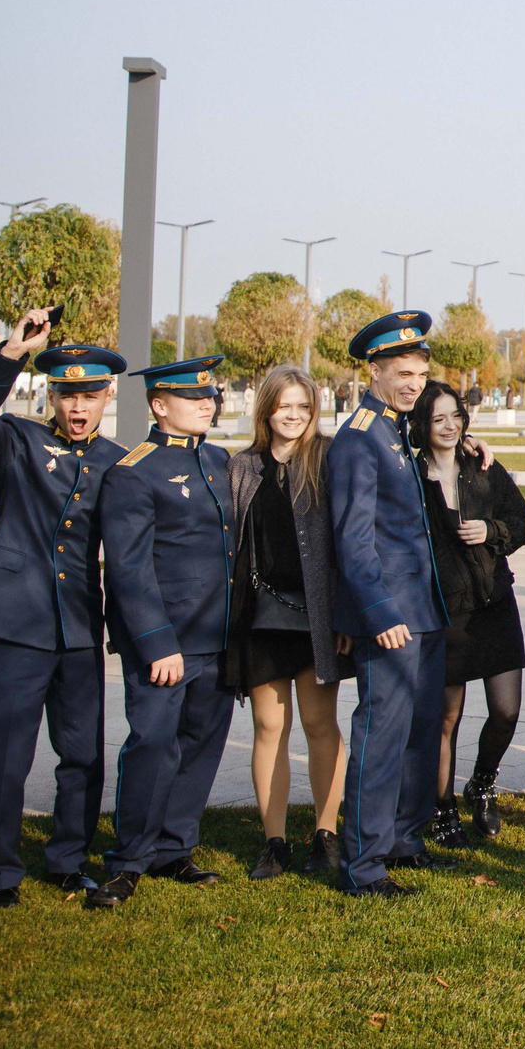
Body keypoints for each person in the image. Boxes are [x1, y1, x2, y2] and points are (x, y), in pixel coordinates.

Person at [0, 319, 126, 908]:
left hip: (78, 624)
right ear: (51, 396)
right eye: (68, 395)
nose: (78, 407)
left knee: (81, 754)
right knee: (4, 754)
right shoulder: (18, 442)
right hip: (14, 620)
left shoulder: (117, 461)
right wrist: (10, 354)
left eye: (90, 395)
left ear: (109, 397)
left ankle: (67, 860)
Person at [319, 313, 457, 899]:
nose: (414, 384)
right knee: (381, 736)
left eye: (421, 373)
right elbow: (352, 541)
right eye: (403, 373)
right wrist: (379, 613)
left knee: (420, 732)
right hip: (392, 617)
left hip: (421, 609)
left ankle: (404, 838)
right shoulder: (358, 438)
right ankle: (363, 863)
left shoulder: (398, 429)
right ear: (373, 370)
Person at [91, 355, 236, 908]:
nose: (207, 402)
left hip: (215, 637)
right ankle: (128, 859)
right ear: (158, 404)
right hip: (165, 644)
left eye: (209, 395)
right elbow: (127, 567)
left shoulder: (220, 460)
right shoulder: (135, 469)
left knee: (200, 745)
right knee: (152, 745)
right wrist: (157, 642)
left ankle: (174, 849)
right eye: (191, 396)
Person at [225, 365, 351, 882]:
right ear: (266, 410)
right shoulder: (241, 467)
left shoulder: (329, 458)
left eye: (304, 406)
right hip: (263, 616)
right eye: (284, 406)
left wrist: (346, 613)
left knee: (320, 724)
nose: (294, 416)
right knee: (269, 727)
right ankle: (273, 842)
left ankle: (326, 834)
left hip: (318, 618)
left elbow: (347, 539)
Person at [414, 380, 525, 846]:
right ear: (422, 424)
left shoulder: (483, 467)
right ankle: (442, 808)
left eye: (455, 416)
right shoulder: (411, 473)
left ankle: (482, 783)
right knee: (447, 717)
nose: (448, 426)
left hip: (493, 606)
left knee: (506, 711)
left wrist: (491, 530)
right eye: (437, 418)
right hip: (444, 611)